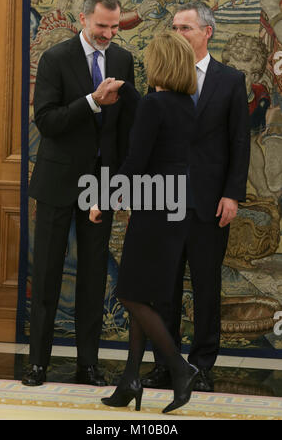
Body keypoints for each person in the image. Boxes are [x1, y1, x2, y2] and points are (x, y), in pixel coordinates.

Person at [22, 0, 135, 387]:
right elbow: (47, 122)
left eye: (114, 26)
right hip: (57, 183)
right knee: (48, 275)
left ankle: (88, 364)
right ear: (84, 19)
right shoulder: (55, 59)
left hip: (100, 187)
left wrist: (119, 181)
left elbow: (123, 128)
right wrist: (91, 101)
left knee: (93, 279)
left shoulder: (123, 59)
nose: (108, 33)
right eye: (102, 25)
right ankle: (38, 363)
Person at [141, 1, 250, 392]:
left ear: (207, 32)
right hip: (164, 202)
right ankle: (166, 365)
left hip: (208, 204)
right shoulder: (160, 77)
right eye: (174, 27)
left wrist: (232, 195)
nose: (177, 34)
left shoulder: (230, 80)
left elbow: (240, 142)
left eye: (185, 28)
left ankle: (202, 365)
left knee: (206, 288)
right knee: (163, 290)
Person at [90, 31, 200, 414]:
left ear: (160, 64)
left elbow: (136, 162)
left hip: (153, 211)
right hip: (176, 209)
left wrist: (102, 198)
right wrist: (134, 95)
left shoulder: (156, 106)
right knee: (142, 294)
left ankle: (179, 368)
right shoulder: (185, 103)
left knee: (129, 294)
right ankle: (131, 381)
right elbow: (158, 116)